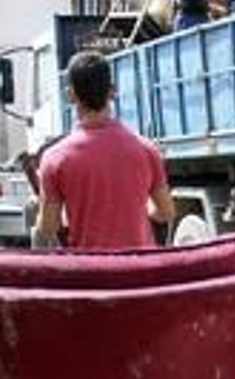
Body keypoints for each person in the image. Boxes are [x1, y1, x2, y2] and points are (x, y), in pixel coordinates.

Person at [36, 50, 174, 249]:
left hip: (91, 272)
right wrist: (139, 212)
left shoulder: (54, 158)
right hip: (139, 271)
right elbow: (166, 212)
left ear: (71, 95)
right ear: (112, 91)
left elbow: (48, 227)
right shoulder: (146, 149)